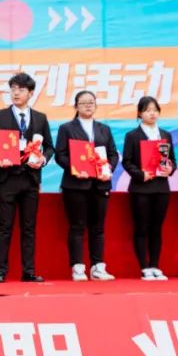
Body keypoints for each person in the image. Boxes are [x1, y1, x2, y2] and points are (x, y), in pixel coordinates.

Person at [0, 72, 54, 283]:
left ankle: (28, 271)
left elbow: (49, 147)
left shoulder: (40, 118)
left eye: (21, 89)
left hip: (31, 179)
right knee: (4, 227)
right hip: (7, 178)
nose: (16, 93)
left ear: (31, 93)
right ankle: (0, 271)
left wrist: (42, 160)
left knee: (28, 228)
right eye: (13, 89)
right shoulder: (0, 116)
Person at [54, 90, 119, 282]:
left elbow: (113, 154)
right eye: (83, 103)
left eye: (91, 102)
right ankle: (78, 267)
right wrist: (74, 168)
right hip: (76, 185)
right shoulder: (67, 128)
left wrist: (109, 167)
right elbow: (60, 155)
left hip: (100, 184)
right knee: (77, 226)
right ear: (76, 106)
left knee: (98, 227)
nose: (88, 105)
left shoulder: (104, 129)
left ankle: (98, 267)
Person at [121, 96, 175, 281]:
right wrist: (140, 174)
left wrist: (170, 169)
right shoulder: (132, 136)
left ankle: (155, 265)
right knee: (142, 227)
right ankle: (144, 267)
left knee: (157, 228)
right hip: (141, 188)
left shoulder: (165, 135)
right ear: (140, 113)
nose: (152, 113)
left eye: (155, 110)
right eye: (147, 110)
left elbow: (172, 160)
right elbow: (127, 162)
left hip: (161, 188)